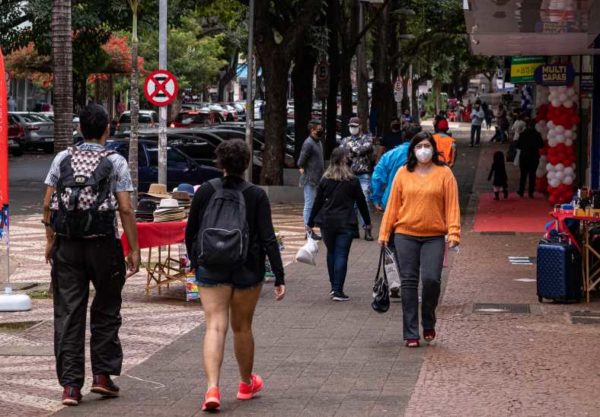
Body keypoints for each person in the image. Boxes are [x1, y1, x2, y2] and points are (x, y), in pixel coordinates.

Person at [42, 104, 140, 406]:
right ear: (107, 128)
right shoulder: (115, 161)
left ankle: (71, 387)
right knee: (107, 308)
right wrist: (133, 248)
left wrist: (50, 240)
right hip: (103, 244)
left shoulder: (62, 158)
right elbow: (125, 208)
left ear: (80, 129)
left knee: (69, 313)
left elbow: (47, 204)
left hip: (67, 246)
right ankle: (102, 376)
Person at [185, 139, 286, 412]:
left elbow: (191, 231)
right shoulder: (256, 195)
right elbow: (268, 238)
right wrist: (279, 276)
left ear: (220, 163)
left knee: (214, 326)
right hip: (248, 268)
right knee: (242, 327)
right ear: (247, 163)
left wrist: (195, 262)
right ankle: (245, 383)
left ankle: (212, 388)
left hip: (211, 266)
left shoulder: (206, 190)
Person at [378, 131, 460, 348]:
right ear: (412, 150)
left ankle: (428, 319)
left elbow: (452, 206)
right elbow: (393, 206)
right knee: (408, 282)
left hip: (434, 236)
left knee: (432, 279)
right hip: (405, 234)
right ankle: (411, 332)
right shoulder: (403, 173)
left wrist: (454, 233)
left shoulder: (445, 174)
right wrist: (384, 233)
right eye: (419, 146)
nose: (423, 150)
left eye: (427, 146)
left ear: (433, 148)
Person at [307, 148, 371, 302]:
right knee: (341, 254)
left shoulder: (325, 179)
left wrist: (310, 222)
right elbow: (361, 202)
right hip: (346, 222)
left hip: (327, 222)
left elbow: (317, 202)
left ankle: (333, 287)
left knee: (331, 253)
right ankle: (338, 290)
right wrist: (367, 222)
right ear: (346, 161)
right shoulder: (353, 180)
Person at [340, 117, 375, 241]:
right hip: (349, 175)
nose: (352, 128)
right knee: (351, 204)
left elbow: (364, 149)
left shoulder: (367, 138)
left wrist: (352, 151)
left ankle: (367, 229)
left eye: (354, 126)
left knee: (364, 201)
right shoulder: (345, 140)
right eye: (351, 126)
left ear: (360, 126)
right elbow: (341, 153)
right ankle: (353, 229)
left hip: (363, 174)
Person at [297, 120, 325, 237]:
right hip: (309, 179)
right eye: (318, 128)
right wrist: (303, 168)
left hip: (317, 179)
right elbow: (300, 161)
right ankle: (308, 231)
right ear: (312, 130)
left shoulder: (318, 142)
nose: (320, 130)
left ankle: (310, 228)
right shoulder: (308, 143)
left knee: (314, 204)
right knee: (309, 205)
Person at [516, 120, 544, 198]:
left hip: (524, 157)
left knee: (523, 175)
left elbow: (518, 145)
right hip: (534, 157)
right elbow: (541, 145)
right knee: (532, 175)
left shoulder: (522, 134)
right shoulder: (537, 135)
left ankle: (521, 191)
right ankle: (530, 192)